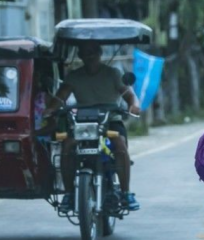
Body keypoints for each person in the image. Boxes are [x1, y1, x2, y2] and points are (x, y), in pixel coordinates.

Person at [47, 42, 142, 212]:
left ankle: (126, 192)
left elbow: (130, 96)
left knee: (119, 143)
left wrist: (134, 105)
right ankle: (69, 194)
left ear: (99, 53)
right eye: (85, 53)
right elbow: (61, 97)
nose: (89, 56)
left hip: (110, 120)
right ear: (81, 56)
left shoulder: (113, 73)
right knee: (67, 145)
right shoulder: (74, 76)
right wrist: (50, 109)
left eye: (92, 52)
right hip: (83, 122)